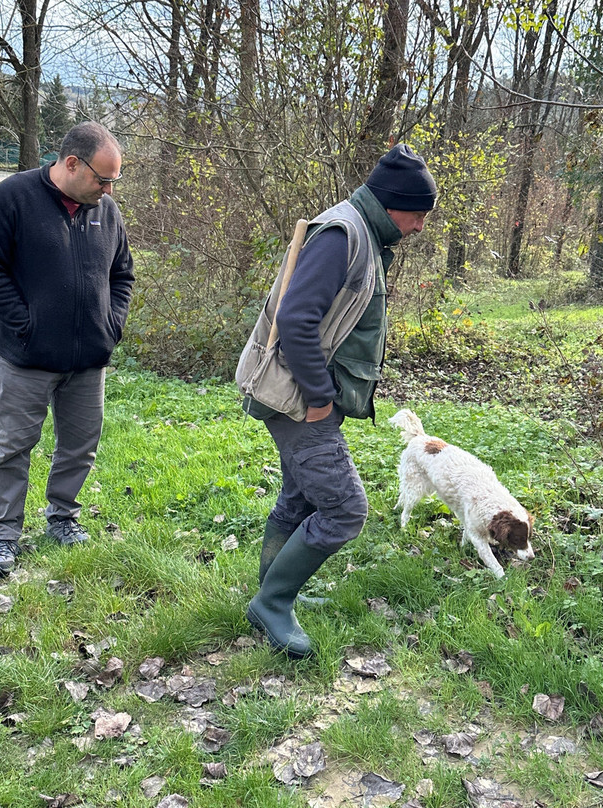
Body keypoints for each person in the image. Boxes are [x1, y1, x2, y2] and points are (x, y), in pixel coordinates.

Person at [236, 144, 436, 658]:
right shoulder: (343, 235)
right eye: (417, 214)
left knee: (299, 498)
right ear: (391, 203)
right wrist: (321, 399)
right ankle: (272, 603)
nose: (419, 226)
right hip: (299, 399)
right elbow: (296, 318)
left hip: (305, 395)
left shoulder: (364, 233)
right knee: (346, 509)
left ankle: (273, 592)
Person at [0, 122, 134, 577]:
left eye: (114, 181)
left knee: (80, 446)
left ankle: (63, 517)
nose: (108, 190)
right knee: (13, 448)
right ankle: (3, 536)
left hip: (88, 361)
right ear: (71, 163)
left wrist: (111, 325)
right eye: (103, 179)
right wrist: (25, 325)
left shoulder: (106, 212)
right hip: (25, 358)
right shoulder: (13, 197)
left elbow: (122, 273)